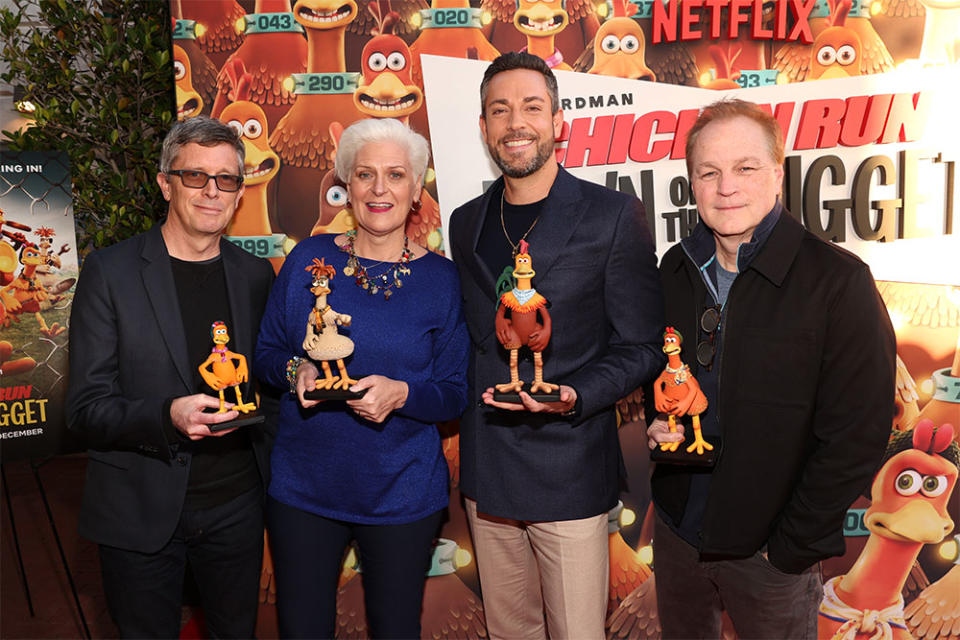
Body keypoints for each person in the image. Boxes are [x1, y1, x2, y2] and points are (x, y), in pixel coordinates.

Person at [646, 98, 896, 638]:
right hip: (676, 535)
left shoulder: (838, 282)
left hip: (770, 556)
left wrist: (789, 547)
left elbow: (859, 432)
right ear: (692, 183)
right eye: (708, 172)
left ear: (777, 175)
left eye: (745, 168)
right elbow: (662, 373)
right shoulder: (675, 268)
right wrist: (656, 419)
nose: (725, 187)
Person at [449, 52, 665, 639]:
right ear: (484, 127)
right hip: (488, 466)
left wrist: (574, 395)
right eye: (499, 109)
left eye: (531, 107)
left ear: (558, 121)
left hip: (570, 463)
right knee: (509, 631)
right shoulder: (465, 222)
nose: (515, 122)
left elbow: (643, 346)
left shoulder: (613, 214)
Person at [254, 117, 469, 639]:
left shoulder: (441, 279)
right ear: (346, 185)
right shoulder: (307, 259)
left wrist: (403, 394)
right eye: (365, 174)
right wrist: (295, 369)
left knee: (395, 629)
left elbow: (455, 392)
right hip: (304, 490)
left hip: (402, 494)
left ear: (416, 190)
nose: (379, 189)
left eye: (396, 175)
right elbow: (265, 354)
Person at [66, 115, 276, 638]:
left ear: (239, 192)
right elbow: (85, 408)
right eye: (195, 176)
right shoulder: (110, 273)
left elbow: (269, 378)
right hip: (140, 507)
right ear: (165, 183)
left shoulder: (254, 275)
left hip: (237, 507)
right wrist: (167, 415)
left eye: (227, 179)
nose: (212, 191)